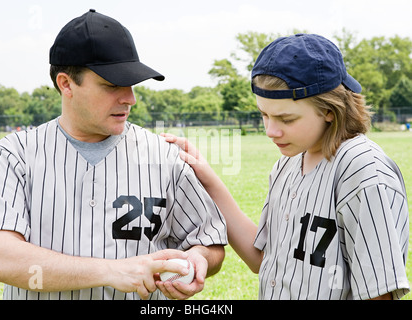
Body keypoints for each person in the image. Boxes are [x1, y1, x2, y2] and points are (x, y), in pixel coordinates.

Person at [0, 9, 227, 300]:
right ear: (66, 84)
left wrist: (199, 259)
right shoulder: (14, 155)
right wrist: (113, 271)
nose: (130, 98)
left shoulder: (164, 156)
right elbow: (1, 259)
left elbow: (209, 241)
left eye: (131, 84)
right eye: (112, 85)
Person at [163, 33, 410, 300]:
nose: (271, 130)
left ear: (330, 109)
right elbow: (263, 260)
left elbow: (378, 294)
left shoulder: (362, 168)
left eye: (286, 119)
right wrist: (207, 177)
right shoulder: (287, 164)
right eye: (264, 115)